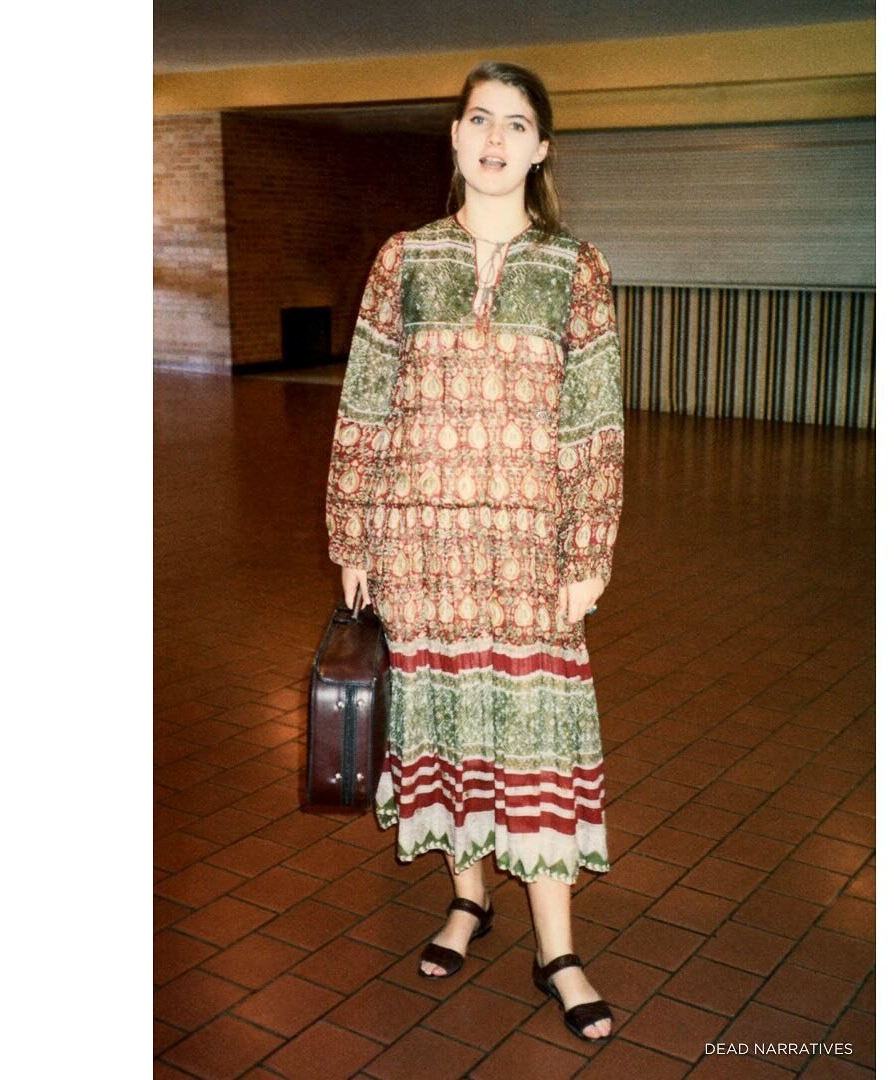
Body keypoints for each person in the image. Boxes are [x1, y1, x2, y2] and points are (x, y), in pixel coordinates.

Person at [325, 60, 624, 1041]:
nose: (496, 139)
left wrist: (590, 546)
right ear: (455, 138)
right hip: (421, 547)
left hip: (528, 553)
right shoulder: (401, 261)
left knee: (532, 743)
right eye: (479, 120)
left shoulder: (576, 268)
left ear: (541, 148)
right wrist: (352, 529)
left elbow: (595, 425)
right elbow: (365, 400)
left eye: (518, 124)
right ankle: (467, 898)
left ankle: (558, 949)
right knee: (444, 727)